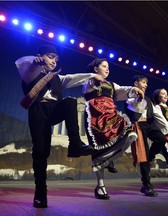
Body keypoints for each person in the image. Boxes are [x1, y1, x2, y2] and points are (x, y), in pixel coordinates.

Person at [15, 45, 95, 208]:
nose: (54, 61)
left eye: (56, 58)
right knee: (41, 151)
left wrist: (94, 75)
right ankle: (40, 193)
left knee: (71, 102)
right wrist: (35, 62)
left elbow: (73, 78)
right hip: (39, 110)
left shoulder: (56, 77)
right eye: (50, 56)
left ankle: (75, 144)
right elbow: (24, 65)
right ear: (41, 56)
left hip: (54, 110)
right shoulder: (31, 72)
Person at [82, 58, 144, 200]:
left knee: (131, 135)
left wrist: (133, 89)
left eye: (108, 67)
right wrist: (94, 78)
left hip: (111, 115)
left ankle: (109, 159)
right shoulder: (89, 80)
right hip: (95, 116)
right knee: (99, 150)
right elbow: (87, 87)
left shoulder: (111, 84)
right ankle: (100, 185)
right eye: (104, 66)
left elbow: (121, 90)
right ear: (95, 68)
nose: (107, 69)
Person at [125, 75, 168, 196]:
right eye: (143, 82)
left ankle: (150, 156)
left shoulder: (149, 99)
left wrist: (166, 126)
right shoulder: (129, 98)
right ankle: (146, 184)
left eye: (146, 83)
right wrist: (139, 99)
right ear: (136, 83)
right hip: (138, 125)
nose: (146, 85)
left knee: (161, 139)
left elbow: (155, 113)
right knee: (143, 156)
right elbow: (134, 106)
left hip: (149, 125)